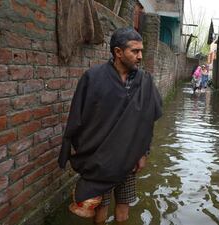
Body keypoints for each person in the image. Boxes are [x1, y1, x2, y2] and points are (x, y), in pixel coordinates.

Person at [58, 27, 162, 224]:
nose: (140, 56)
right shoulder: (93, 78)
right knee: (100, 209)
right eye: (135, 51)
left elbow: (147, 122)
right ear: (118, 52)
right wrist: (84, 154)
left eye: (141, 51)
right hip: (100, 159)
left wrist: (143, 153)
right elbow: (77, 118)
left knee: (123, 208)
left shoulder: (145, 81)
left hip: (129, 158)